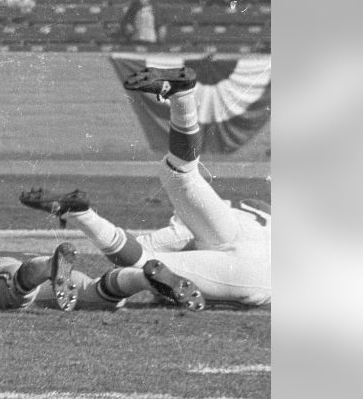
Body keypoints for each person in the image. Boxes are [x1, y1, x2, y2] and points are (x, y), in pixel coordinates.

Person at [20, 67, 271, 310]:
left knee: (180, 173)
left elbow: (164, 240)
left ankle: (182, 96)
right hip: (257, 270)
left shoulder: (249, 213)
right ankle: (78, 213)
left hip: (240, 231)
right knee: (142, 263)